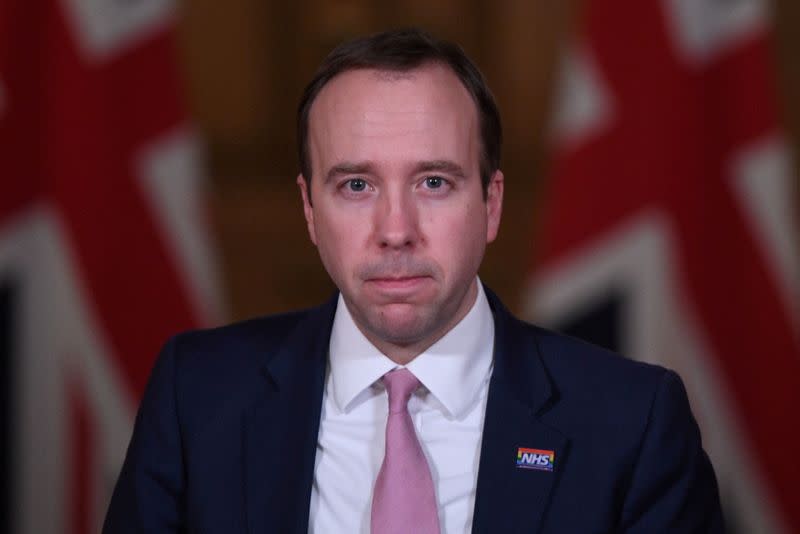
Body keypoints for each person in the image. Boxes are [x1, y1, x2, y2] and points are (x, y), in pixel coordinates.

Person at [103, 28, 724, 533]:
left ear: (492, 203)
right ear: (309, 210)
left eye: (434, 182)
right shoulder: (197, 397)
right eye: (356, 185)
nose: (395, 230)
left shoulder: (633, 422)